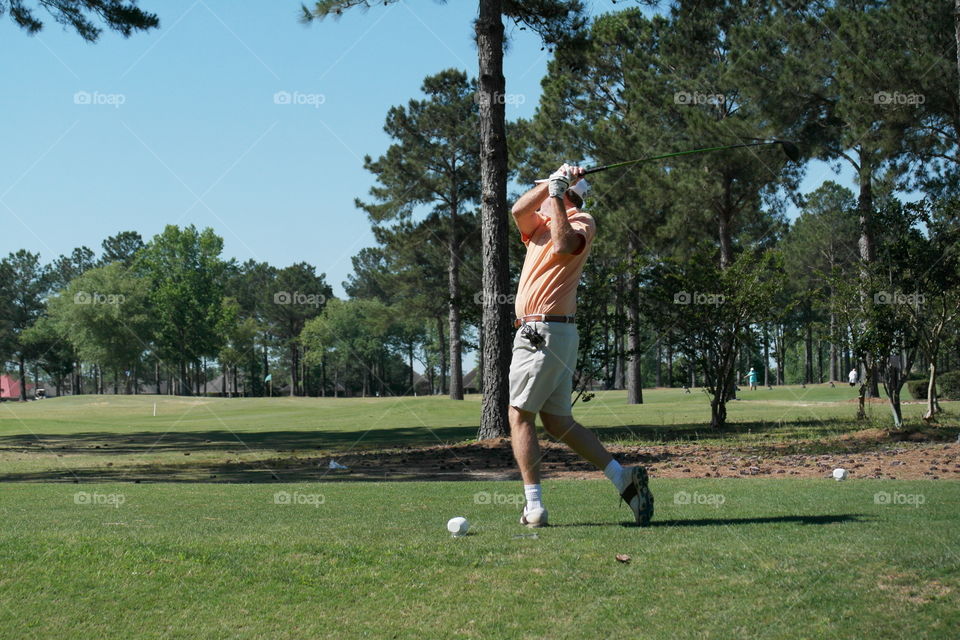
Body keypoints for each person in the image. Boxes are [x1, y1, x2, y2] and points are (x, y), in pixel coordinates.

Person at [506, 163, 654, 528]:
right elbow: (517, 211)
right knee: (557, 422)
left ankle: (534, 507)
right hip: (546, 333)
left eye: (545, 191)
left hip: (543, 332)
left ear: (565, 195)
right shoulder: (536, 227)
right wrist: (552, 186)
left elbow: (563, 242)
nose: (539, 198)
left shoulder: (582, 221)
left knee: (519, 415)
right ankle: (623, 478)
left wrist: (555, 191)